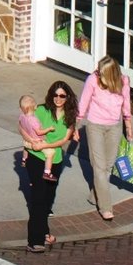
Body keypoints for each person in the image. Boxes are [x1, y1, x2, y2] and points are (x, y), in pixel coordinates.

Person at [75, 61, 133, 222]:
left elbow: (126, 105)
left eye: (102, 73)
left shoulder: (124, 81)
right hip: (95, 126)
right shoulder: (92, 80)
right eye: (98, 72)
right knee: (99, 167)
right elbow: (84, 102)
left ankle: (95, 194)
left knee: (108, 166)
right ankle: (106, 207)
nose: (99, 75)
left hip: (114, 127)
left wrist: (128, 126)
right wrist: (76, 125)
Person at [22, 81, 76, 252]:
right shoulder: (40, 110)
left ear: (67, 97)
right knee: (38, 197)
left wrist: (44, 146)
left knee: (47, 199)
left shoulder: (69, 116)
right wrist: (31, 141)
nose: (58, 99)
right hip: (36, 158)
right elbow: (22, 126)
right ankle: (35, 241)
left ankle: (44, 231)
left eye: (62, 96)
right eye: (55, 95)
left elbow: (64, 139)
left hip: (55, 160)